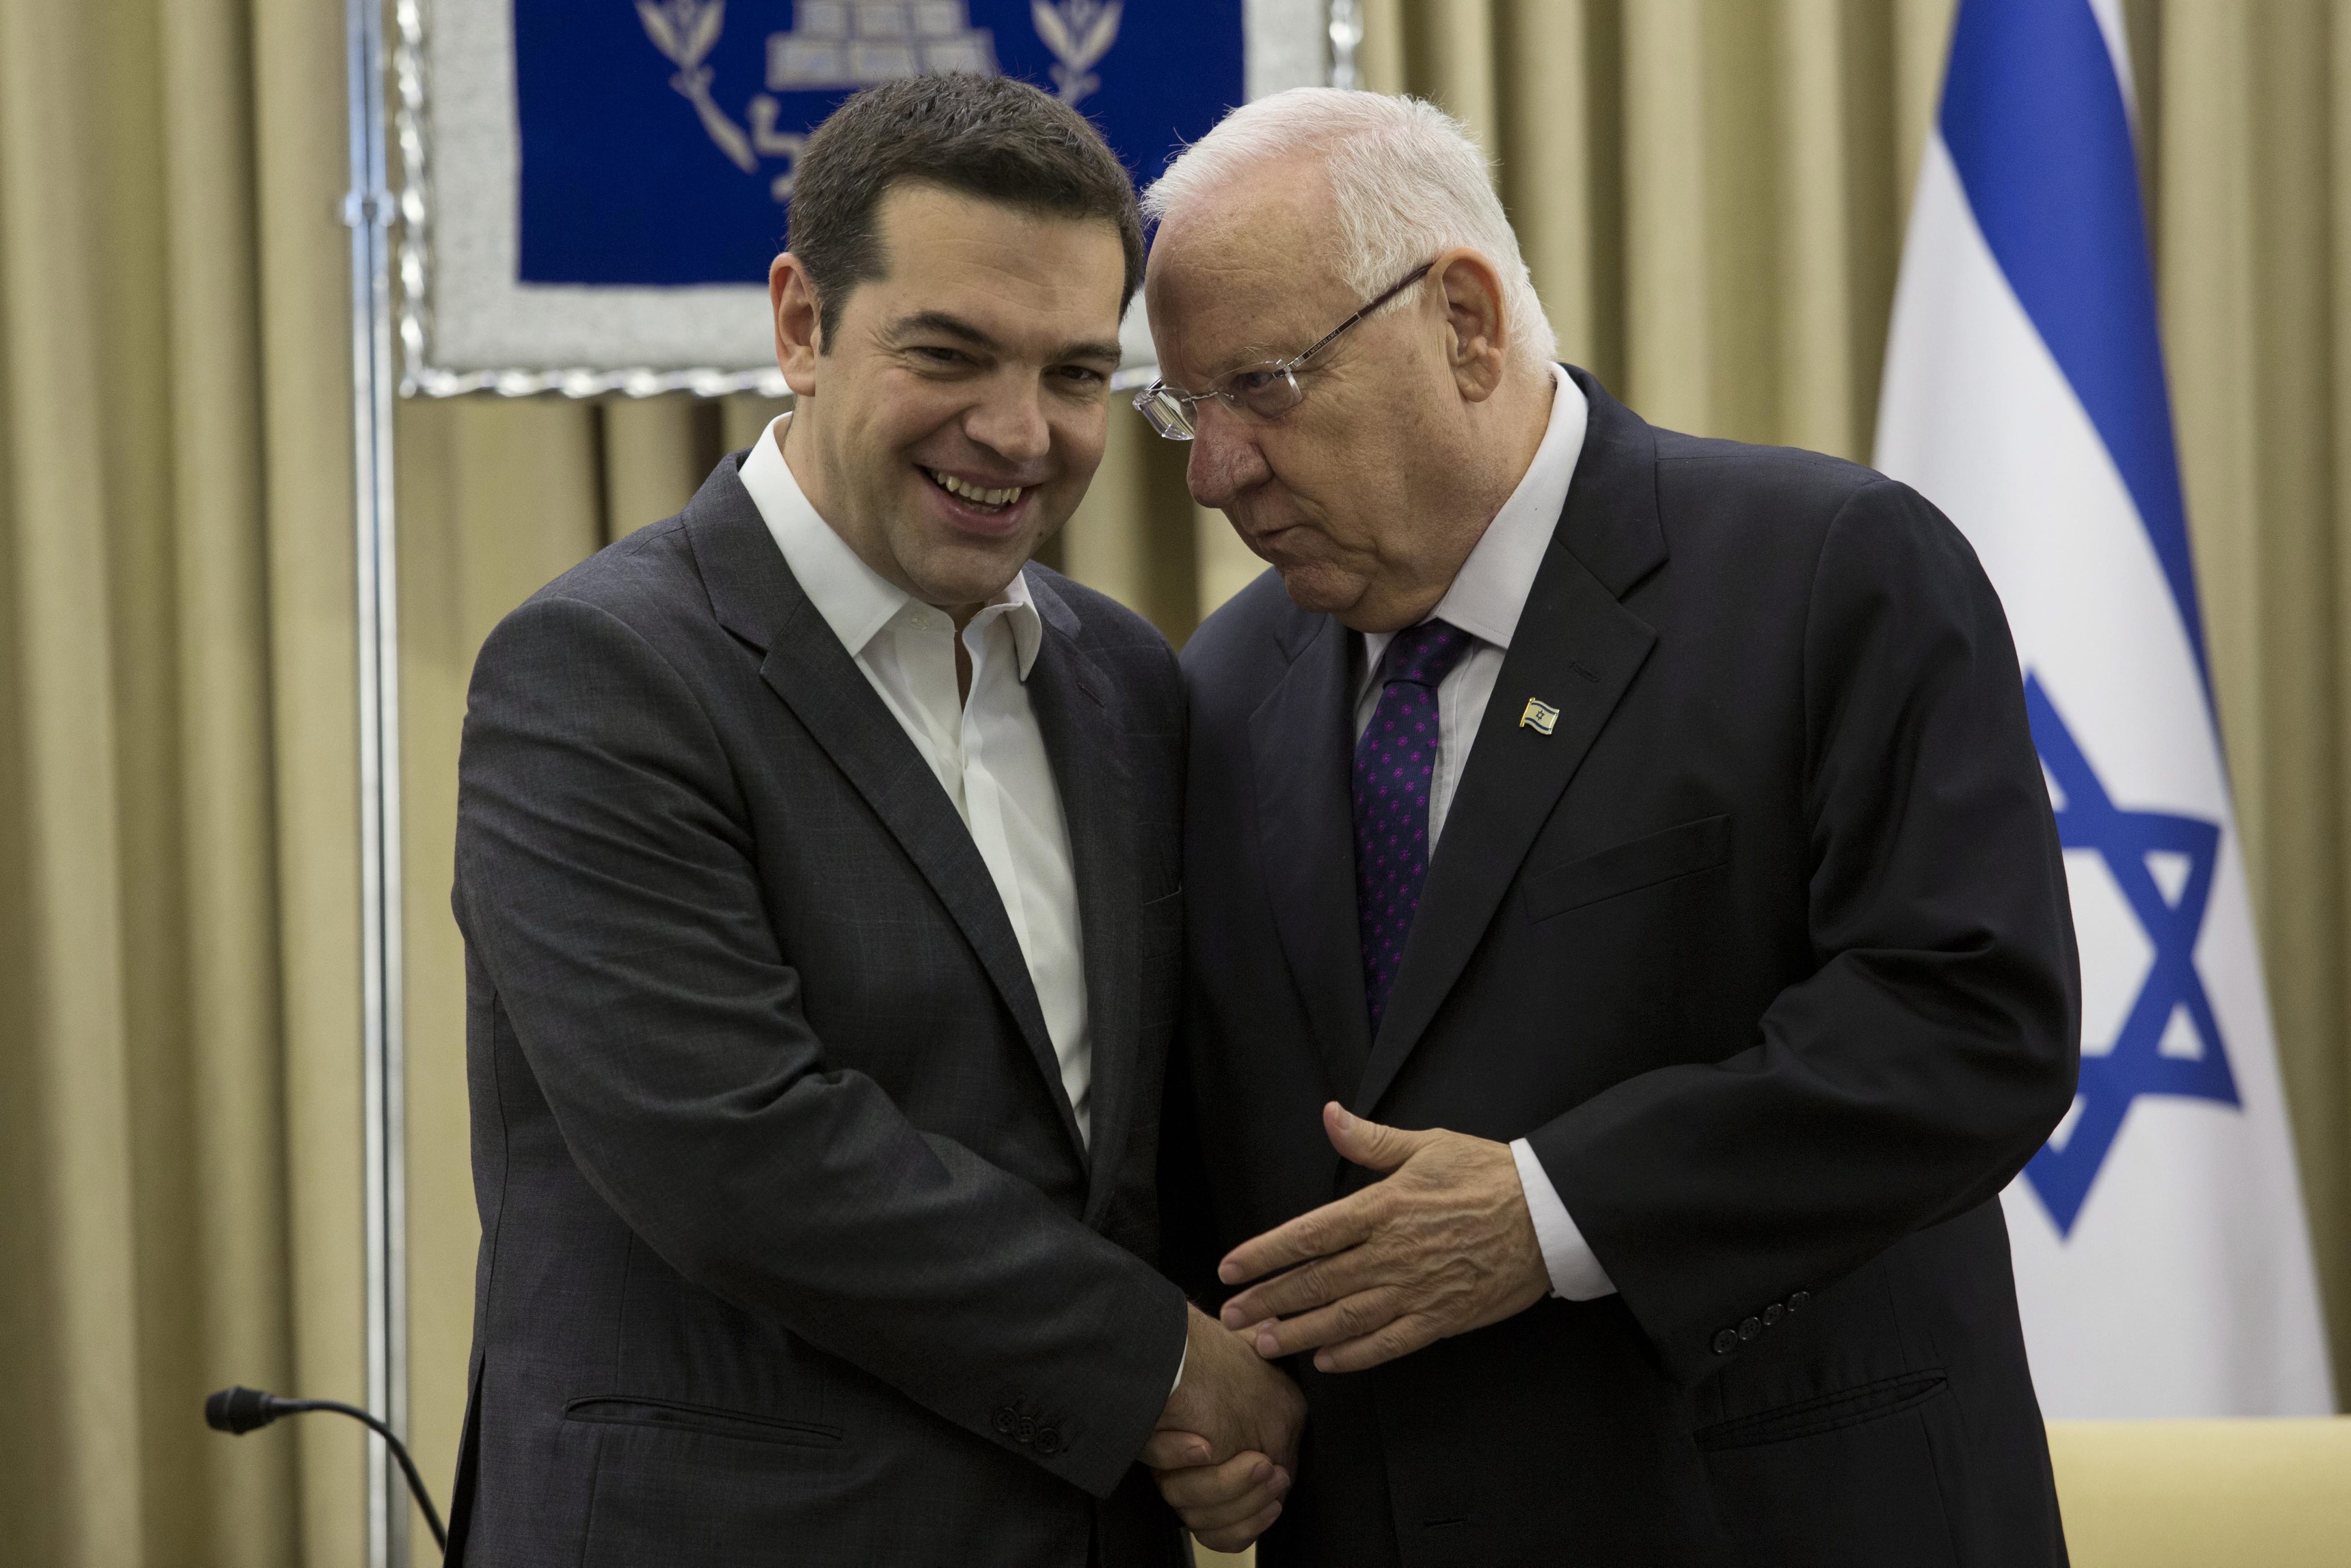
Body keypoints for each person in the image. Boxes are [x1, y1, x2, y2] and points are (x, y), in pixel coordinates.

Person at [1142, 87, 2081, 1565]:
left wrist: (1553, 1210)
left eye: (1260, 386)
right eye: (1184, 409)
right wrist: (1201, 1393)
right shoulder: (1218, 682)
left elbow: (1970, 1022)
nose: (1213, 473)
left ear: (1462, 323)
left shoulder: (1824, 572)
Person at [446, 75, 1300, 1567]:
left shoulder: (1128, 680)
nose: (1019, 432)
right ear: (801, 324)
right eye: (949, 354)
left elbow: (1139, 1142)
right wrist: (1167, 1368)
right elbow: (740, 1155)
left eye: (1076, 374)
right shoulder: (599, 671)